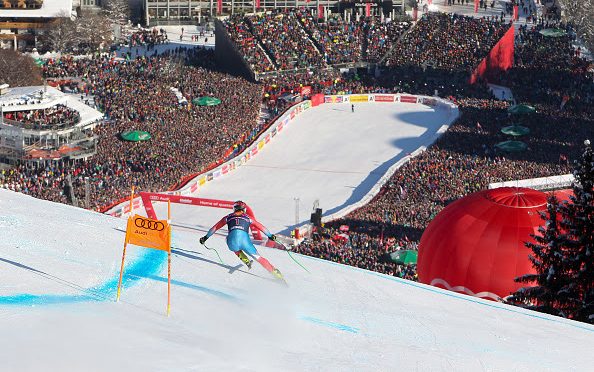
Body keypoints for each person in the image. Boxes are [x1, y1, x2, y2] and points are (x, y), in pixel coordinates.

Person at [200, 201, 285, 281]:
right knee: (259, 258)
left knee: (228, 239)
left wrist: (205, 238)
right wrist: (270, 236)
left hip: (232, 243)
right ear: (244, 209)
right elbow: (261, 227)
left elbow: (214, 228)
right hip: (245, 242)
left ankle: (245, 260)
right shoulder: (248, 217)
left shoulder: (227, 217)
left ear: (234, 209)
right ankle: (277, 275)